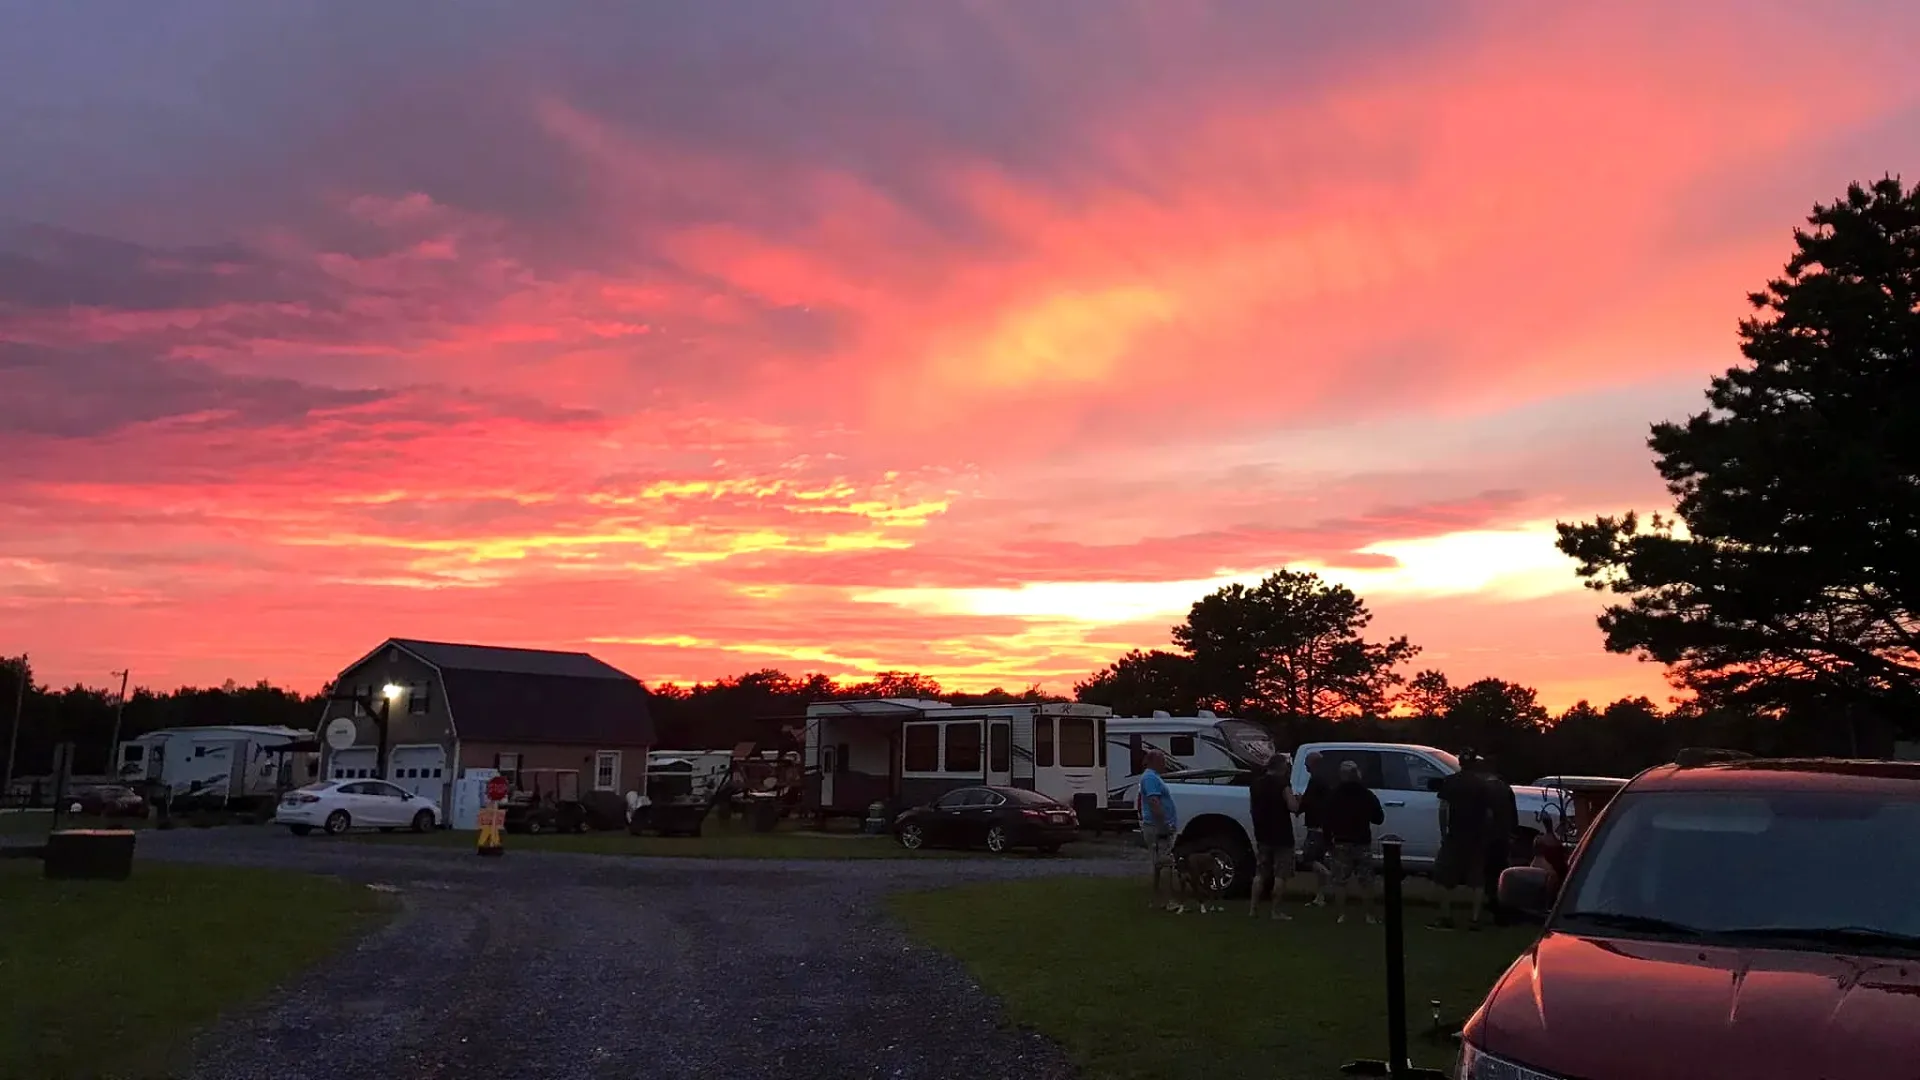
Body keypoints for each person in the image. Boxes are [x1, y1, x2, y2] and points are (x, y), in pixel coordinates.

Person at [1432, 752, 1494, 930]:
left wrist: (1444, 832)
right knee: (1477, 879)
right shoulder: (1482, 784)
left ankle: (1446, 916)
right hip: (1476, 836)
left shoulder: (1450, 781)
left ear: (1460, 763)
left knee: (1444, 876)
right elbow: (1489, 813)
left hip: (1455, 835)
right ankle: (1474, 919)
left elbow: (1444, 808)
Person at [1323, 759, 1384, 924]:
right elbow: (1379, 818)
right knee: (1366, 881)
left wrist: (1328, 841)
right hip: (1362, 841)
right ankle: (1369, 915)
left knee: (1340, 881)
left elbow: (1327, 820)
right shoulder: (1366, 794)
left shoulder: (1334, 794)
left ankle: (1341, 915)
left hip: (1341, 841)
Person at [1247, 752, 1299, 919]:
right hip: (1282, 834)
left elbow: (1252, 808)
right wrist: (1298, 801)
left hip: (1262, 833)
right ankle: (1275, 911)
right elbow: (1293, 807)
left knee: (1260, 872)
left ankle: (1253, 909)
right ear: (1282, 767)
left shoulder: (1256, 784)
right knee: (1280, 874)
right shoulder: (1283, 784)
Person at [1138, 749, 1180, 912]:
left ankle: (1157, 899)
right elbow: (1154, 802)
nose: (1165, 764)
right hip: (1157, 827)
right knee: (1166, 863)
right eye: (1162, 760)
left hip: (1156, 826)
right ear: (1154, 761)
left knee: (1158, 863)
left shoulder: (1152, 777)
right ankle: (1168, 900)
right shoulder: (1150, 778)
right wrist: (1164, 824)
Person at [1479, 758, 1520, 924]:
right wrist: (1512, 833)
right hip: (1503, 836)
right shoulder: (1505, 788)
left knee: (1489, 874)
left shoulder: (1484, 790)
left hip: (1489, 836)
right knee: (1500, 871)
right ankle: (1501, 908)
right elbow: (1513, 812)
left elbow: (1484, 814)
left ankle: (1496, 907)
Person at [1295, 751, 1333, 906]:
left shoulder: (1316, 780)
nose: (1305, 766)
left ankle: (1330, 875)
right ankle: (1320, 896)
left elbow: (1308, 802)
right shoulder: (1327, 779)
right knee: (1319, 859)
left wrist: (1298, 803)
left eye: (1307, 763)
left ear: (1313, 764)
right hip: (1325, 826)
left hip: (1316, 826)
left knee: (1308, 858)